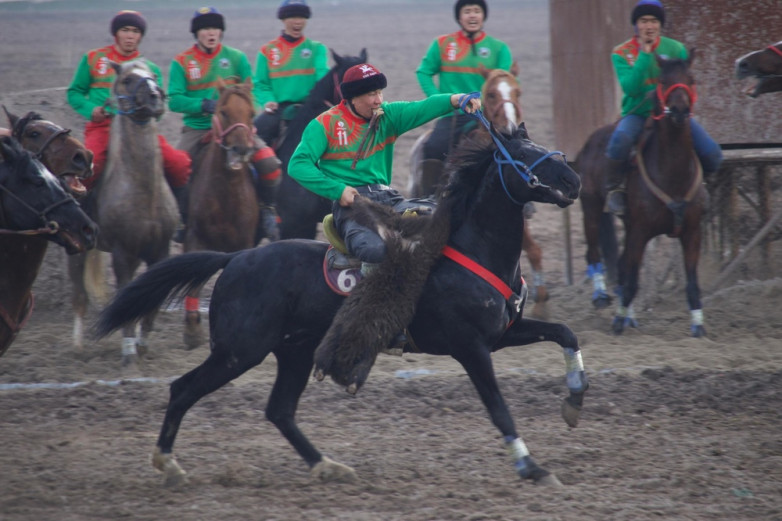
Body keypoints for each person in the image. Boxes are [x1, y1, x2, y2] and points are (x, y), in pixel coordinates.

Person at [288, 63, 481, 269]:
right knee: (377, 250)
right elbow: (297, 165)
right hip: (353, 208)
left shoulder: (388, 116)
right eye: (372, 94)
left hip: (390, 200)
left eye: (380, 92)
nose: (378, 100)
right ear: (353, 97)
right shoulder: (324, 124)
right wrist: (339, 190)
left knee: (446, 220)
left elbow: (423, 106)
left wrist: (457, 99)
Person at [168, 7, 282, 242]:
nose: (211, 33)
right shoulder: (182, 62)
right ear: (197, 33)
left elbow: (251, 92)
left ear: (221, 31)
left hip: (236, 126)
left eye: (215, 28)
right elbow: (175, 99)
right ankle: (182, 218)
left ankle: (267, 210)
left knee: (269, 163)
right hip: (198, 127)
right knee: (176, 166)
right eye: (205, 29)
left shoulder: (236, 58)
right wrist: (203, 105)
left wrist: (248, 117)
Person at [604, 0, 723, 216]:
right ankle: (617, 190)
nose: (649, 26)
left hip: (672, 115)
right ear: (636, 25)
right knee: (619, 141)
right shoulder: (621, 52)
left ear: (660, 25)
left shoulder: (676, 48)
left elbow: (688, 83)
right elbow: (631, 88)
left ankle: (702, 187)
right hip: (638, 114)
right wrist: (646, 53)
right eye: (644, 21)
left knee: (712, 153)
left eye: (654, 21)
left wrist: (687, 106)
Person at [66, 10, 191, 206]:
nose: (130, 35)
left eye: (135, 31)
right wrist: (92, 110)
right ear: (116, 33)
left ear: (141, 36)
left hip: (140, 128)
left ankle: (177, 211)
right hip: (103, 127)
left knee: (178, 163)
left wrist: (149, 114)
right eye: (125, 30)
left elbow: (159, 106)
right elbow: (75, 92)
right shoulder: (93, 58)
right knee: (90, 165)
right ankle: (81, 213)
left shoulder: (149, 68)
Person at [415, 0, 512, 185]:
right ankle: (426, 200)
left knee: (516, 147)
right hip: (453, 115)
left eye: (477, 11)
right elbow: (423, 72)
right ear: (459, 17)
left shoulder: (499, 48)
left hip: (486, 116)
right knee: (433, 147)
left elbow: (504, 83)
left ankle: (524, 203)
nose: (472, 15)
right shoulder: (442, 44)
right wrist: (438, 101)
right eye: (467, 11)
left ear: (483, 16)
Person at [252, 0, 329, 146]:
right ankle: (260, 168)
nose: (298, 22)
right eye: (293, 17)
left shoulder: (317, 48)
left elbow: (322, 76)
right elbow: (261, 84)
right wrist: (268, 101)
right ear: (283, 19)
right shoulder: (267, 50)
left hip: (310, 106)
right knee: (257, 130)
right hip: (280, 109)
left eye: (302, 18)